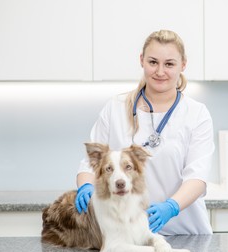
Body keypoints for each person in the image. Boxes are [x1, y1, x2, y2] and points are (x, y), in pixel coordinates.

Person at [75, 30, 215, 235]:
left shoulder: (196, 114)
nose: (160, 71)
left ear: (183, 65)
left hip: (186, 233)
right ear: (142, 60)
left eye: (169, 64)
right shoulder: (115, 108)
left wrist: (171, 207)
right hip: (127, 235)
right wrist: (86, 187)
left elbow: (197, 176)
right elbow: (89, 164)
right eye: (153, 62)